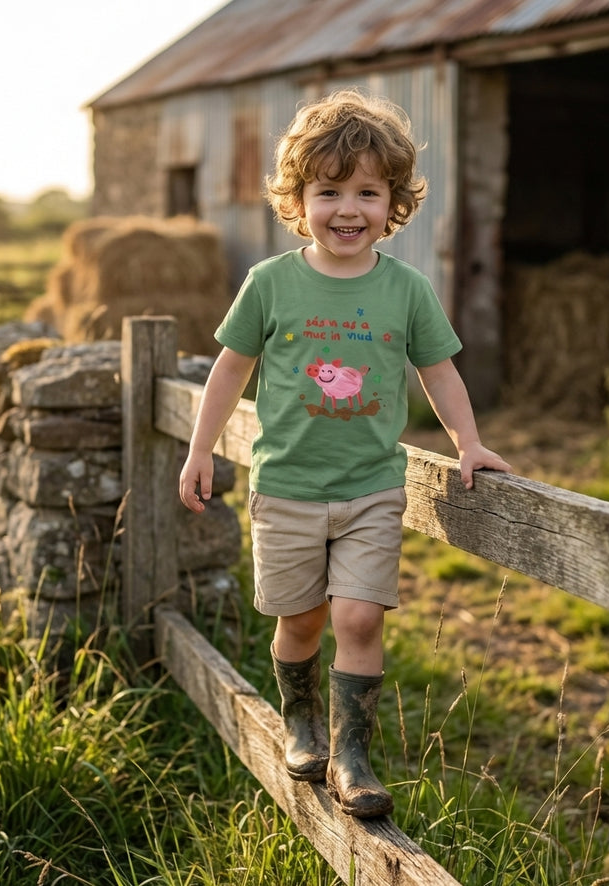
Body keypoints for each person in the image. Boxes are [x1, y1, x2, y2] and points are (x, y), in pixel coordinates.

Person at [179, 89, 511, 818]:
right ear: (299, 199)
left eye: (367, 190)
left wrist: (470, 442)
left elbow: (439, 371)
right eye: (329, 191)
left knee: (359, 618)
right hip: (287, 487)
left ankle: (352, 755)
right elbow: (230, 369)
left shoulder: (407, 290)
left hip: (370, 488)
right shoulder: (269, 284)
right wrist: (202, 448)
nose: (348, 208)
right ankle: (303, 722)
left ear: (393, 200)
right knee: (300, 621)